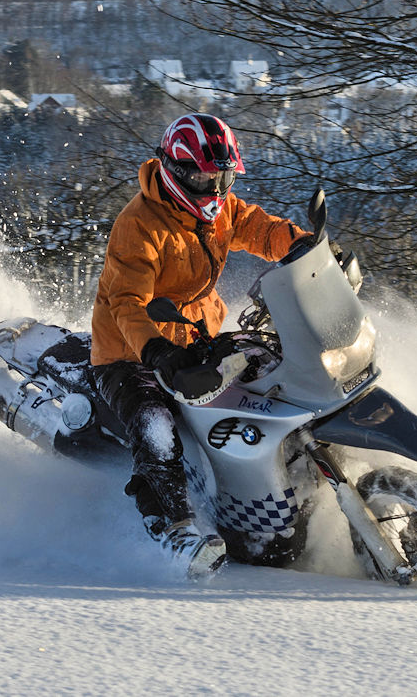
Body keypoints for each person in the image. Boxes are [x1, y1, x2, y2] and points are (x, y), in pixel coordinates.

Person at [90, 113, 310, 577]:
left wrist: (303, 248)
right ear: (175, 170)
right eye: (204, 179)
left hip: (193, 334)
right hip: (130, 350)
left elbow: (257, 226)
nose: (215, 189)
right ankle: (174, 528)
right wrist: (156, 352)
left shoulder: (221, 208)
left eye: (223, 178)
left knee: (266, 374)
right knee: (156, 425)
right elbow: (126, 303)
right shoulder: (139, 226)